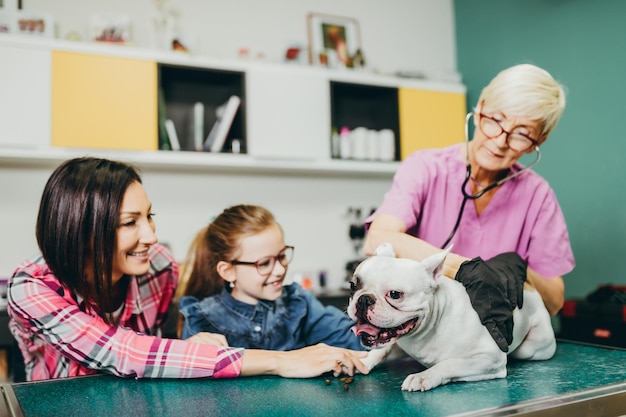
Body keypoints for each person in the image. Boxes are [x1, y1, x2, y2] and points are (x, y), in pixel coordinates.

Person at [7, 157, 368, 382]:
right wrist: (283, 362)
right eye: (130, 222)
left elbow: (156, 351)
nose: (151, 235)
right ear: (82, 231)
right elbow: (127, 354)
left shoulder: (159, 266)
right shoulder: (31, 288)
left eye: (149, 216)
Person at [364, 63, 574, 336]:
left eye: (522, 134)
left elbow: (555, 300)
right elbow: (377, 238)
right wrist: (466, 270)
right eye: (495, 121)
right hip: (420, 339)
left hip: (490, 344)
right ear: (479, 111)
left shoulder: (537, 195)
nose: (500, 141)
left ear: (538, 141)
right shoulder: (426, 167)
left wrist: (520, 270)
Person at [177, 204, 365, 352]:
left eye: (282, 256)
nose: (279, 270)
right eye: (264, 263)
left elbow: (355, 340)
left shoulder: (299, 303)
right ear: (228, 271)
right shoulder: (199, 320)